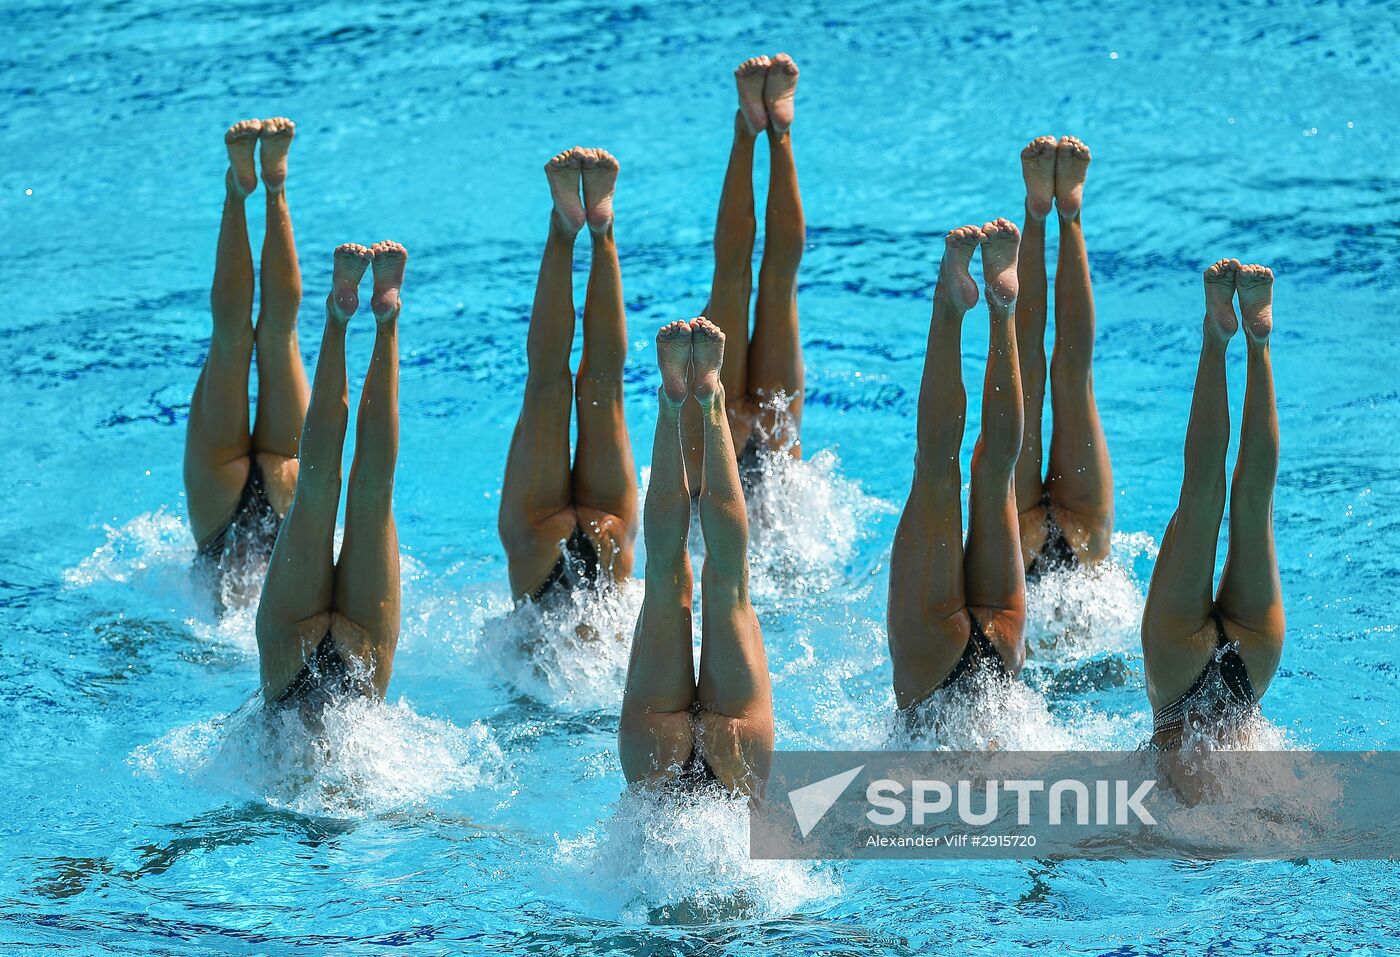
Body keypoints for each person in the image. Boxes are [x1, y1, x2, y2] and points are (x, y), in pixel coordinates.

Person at [619, 318, 773, 796]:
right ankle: (710, 401)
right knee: (728, 580)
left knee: (668, 578)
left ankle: (677, 405)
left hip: (657, 750)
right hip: (737, 755)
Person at [255, 241, 408, 707]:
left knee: (343, 490)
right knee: (336, 490)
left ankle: (371, 319)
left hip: (290, 678)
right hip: (335, 685)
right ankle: (368, 318)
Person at [1141, 260, 1283, 749]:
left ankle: (1250, 343)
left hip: (1249, 657)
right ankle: (1232, 337)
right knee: (1206, 496)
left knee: (1243, 501)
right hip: (1213, 678)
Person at [886, 221, 1027, 712]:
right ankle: (990, 307)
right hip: (984, 663)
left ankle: (981, 307)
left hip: (982, 650)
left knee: (965, 474)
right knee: (962, 473)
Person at [498, 148, 639, 603]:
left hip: (589, 538)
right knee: (555, 384)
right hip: (589, 546)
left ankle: (590, 228)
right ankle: (581, 227)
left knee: (584, 383)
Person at [186, 118, 306, 600]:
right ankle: (264, 188)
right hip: (283, 509)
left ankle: (254, 188)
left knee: (254, 336)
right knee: (266, 336)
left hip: (225, 528)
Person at [681, 54, 806, 490]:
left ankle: (761, 128)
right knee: (755, 282)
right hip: (764, 464)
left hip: (714, 462)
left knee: (763, 282)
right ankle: (768, 130)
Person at [1013, 135, 1114, 578]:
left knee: (1031, 373)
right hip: (1080, 542)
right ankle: (1063, 215)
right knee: (1061, 377)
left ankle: (1044, 213)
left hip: (1021, 540)